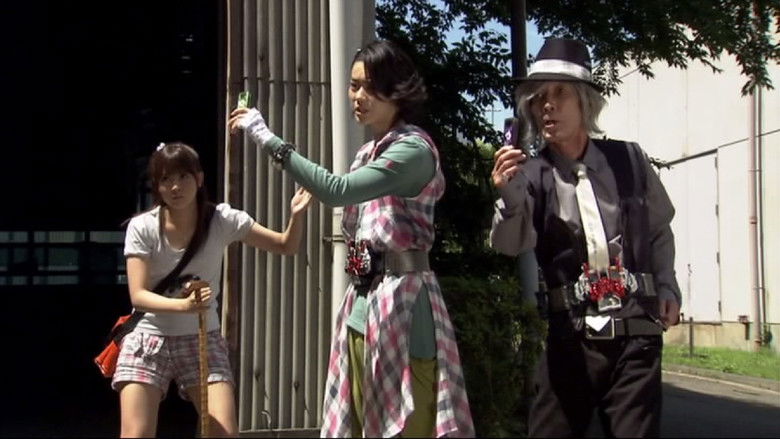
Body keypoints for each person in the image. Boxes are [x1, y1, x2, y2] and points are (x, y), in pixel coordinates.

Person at [229, 39, 474, 438]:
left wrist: (265, 136)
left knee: (410, 426)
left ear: (396, 90)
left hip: (405, 307)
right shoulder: (368, 153)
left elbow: (337, 190)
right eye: (354, 85)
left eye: (369, 87)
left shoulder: (413, 150)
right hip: (362, 307)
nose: (358, 96)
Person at [490, 38, 681, 437]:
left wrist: (667, 286)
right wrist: (508, 196)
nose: (547, 105)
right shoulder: (531, 174)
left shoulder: (630, 160)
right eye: (539, 97)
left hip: (637, 334)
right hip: (570, 337)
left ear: (584, 103)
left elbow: (659, 230)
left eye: (560, 94)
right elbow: (508, 245)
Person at [114, 142, 311, 438]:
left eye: (183, 176)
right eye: (166, 179)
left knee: (224, 432)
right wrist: (184, 306)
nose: (175, 187)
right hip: (148, 337)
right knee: (136, 434)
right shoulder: (143, 227)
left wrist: (296, 215)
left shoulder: (222, 220)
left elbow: (285, 245)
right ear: (157, 186)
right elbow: (138, 295)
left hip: (202, 336)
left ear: (199, 178)